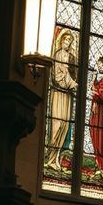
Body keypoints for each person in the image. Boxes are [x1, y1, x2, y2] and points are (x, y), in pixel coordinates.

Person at [44, 30, 78, 171]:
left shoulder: (71, 57)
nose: (66, 43)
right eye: (65, 40)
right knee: (57, 124)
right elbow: (57, 76)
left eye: (69, 41)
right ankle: (49, 158)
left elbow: (73, 73)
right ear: (61, 41)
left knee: (64, 124)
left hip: (68, 95)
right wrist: (70, 83)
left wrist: (72, 80)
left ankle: (56, 158)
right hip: (58, 93)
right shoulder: (57, 54)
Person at [88, 56, 103, 176]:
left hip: (101, 112)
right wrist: (93, 77)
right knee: (94, 132)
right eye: (98, 65)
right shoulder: (98, 79)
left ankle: (102, 165)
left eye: (101, 65)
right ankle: (98, 161)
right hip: (95, 110)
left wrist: (96, 93)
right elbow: (93, 88)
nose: (99, 67)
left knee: (100, 135)